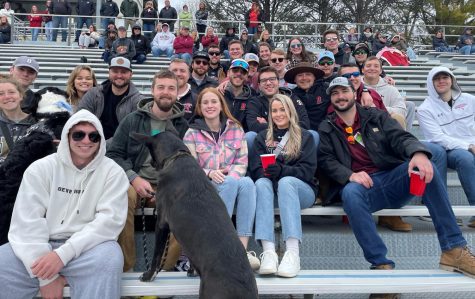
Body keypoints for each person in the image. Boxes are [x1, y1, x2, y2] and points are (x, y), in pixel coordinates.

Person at [318, 76, 475, 298]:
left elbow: (401, 137)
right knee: (350, 193)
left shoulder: (376, 116)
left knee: (423, 167)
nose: (340, 97)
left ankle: (454, 249)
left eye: (343, 91)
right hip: (363, 187)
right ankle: (382, 267)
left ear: (354, 94)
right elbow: (326, 160)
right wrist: (350, 174)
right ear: (330, 99)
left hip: (391, 178)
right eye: (334, 93)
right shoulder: (327, 127)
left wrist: (418, 153)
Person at [0, 110, 129, 299]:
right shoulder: (40, 168)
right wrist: (47, 278)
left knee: (110, 258)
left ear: (100, 140)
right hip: (41, 246)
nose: (86, 141)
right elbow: (26, 222)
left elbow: (108, 223)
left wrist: (62, 256)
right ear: (67, 136)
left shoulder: (113, 173)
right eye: (78, 134)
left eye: (93, 136)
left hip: (87, 249)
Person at [106, 70, 189, 272]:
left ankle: (163, 270)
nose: (165, 92)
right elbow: (113, 154)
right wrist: (133, 178)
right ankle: (127, 268)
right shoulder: (133, 120)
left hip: (167, 185)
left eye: (171, 88)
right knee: (122, 195)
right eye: (161, 87)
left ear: (178, 93)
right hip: (136, 181)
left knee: (185, 203)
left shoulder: (183, 125)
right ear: (152, 90)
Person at [183, 87, 259, 270]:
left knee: (248, 183)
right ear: (200, 107)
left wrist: (228, 178)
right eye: (205, 102)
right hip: (204, 187)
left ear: (221, 105)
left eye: (214, 101)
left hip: (229, 182)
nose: (210, 105)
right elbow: (189, 167)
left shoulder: (236, 128)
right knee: (234, 182)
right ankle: (220, 246)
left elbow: (241, 163)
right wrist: (209, 173)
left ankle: (241, 250)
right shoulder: (191, 133)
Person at [250, 93, 317, 278]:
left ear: (290, 111)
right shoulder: (262, 137)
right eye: (274, 110)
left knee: (286, 182)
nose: (278, 114)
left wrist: (282, 171)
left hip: (301, 191)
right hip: (272, 192)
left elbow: (307, 172)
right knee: (261, 183)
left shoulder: (305, 137)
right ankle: (269, 252)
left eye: (282, 110)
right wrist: (266, 172)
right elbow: (255, 168)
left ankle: (292, 254)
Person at [418, 66, 475, 227]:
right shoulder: (425, 109)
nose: (442, 81)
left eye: (445, 77)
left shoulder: (470, 100)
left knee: (467, 156)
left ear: (452, 80)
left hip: (471, 145)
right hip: (445, 150)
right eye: (437, 79)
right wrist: (469, 146)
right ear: (431, 83)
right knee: (465, 158)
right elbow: (438, 138)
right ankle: (445, 208)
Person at [78, 57, 144, 141]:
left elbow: (135, 133)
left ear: (131, 74)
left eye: (124, 72)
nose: (119, 75)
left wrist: (104, 145)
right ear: (109, 73)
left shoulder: (138, 101)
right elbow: (80, 118)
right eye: (115, 71)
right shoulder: (93, 94)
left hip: (122, 148)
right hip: (92, 143)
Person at [247, 66, 309, 134]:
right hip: (266, 140)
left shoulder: (291, 97)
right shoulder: (254, 102)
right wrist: (287, 124)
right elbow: (253, 126)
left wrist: (269, 125)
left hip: (292, 138)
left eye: (272, 79)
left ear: (278, 82)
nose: (268, 83)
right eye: (264, 80)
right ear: (259, 86)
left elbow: (305, 123)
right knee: (250, 135)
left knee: (312, 134)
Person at [361, 56, 413, 130]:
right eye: (368, 66)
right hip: (362, 126)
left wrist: (379, 108)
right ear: (362, 70)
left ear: (381, 71)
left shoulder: (391, 89)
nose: (372, 68)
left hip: (385, 126)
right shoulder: (357, 87)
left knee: (397, 117)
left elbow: (402, 111)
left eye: (376, 66)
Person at [0, 78, 37, 163]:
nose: (7, 97)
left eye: (11, 92)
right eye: (1, 94)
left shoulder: (38, 124)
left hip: (29, 174)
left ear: (21, 95)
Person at [283, 62, 327, 131]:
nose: (304, 78)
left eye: (308, 74)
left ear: (314, 77)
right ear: (294, 79)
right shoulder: (290, 96)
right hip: (300, 134)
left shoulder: (326, 90)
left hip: (324, 134)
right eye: (300, 75)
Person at [223, 59, 255, 131]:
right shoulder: (218, 93)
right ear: (228, 73)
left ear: (247, 76)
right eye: (235, 70)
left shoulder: (252, 97)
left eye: (243, 72)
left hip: (241, 137)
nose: (238, 74)